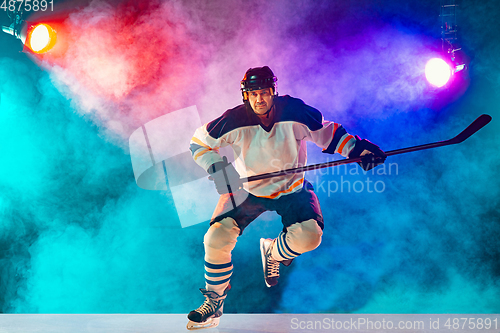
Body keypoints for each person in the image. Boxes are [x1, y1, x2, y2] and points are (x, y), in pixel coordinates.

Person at [186, 66, 386, 330]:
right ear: (246, 95)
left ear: (273, 92)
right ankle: (215, 303)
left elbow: (329, 134)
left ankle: (275, 253)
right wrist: (219, 169)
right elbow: (198, 143)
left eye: (265, 93)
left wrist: (358, 149)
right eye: (254, 94)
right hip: (249, 192)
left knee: (310, 237)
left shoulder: (294, 111)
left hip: (292, 189)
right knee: (215, 239)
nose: (259, 99)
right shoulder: (232, 120)